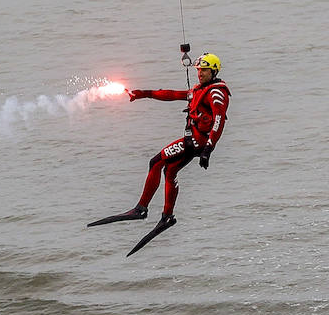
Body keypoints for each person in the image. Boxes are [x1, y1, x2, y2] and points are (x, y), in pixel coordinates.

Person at [88, 53, 230, 233]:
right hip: (194, 142)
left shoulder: (216, 93)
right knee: (170, 171)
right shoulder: (199, 90)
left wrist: (209, 148)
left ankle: (141, 209)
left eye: (204, 70)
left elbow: (219, 120)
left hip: (195, 143)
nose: (200, 73)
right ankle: (167, 217)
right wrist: (144, 94)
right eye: (199, 70)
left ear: (214, 71)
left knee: (155, 162)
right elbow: (172, 94)